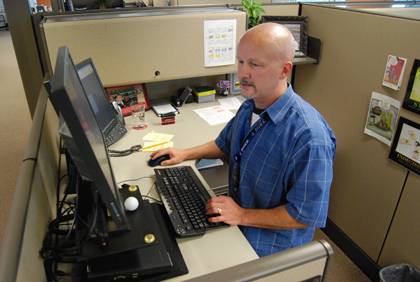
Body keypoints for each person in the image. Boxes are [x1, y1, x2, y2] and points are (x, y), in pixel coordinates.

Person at [150, 23, 336, 257]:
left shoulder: (309, 137)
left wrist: (242, 215)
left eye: (255, 64)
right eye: (241, 61)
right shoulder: (250, 105)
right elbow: (224, 144)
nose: (243, 73)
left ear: (284, 70)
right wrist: (185, 154)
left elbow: (304, 215)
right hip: (236, 218)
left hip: (269, 246)